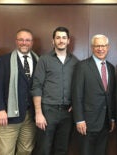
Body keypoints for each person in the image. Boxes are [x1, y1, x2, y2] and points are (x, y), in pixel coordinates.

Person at [31, 26, 78, 155]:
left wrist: (75, 104)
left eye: (64, 38)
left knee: (62, 150)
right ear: (53, 41)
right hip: (47, 111)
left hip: (67, 114)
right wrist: (38, 113)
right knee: (44, 149)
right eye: (58, 38)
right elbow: (36, 86)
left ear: (68, 41)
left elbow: (78, 87)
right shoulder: (44, 60)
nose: (61, 40)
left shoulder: (75, 62)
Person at [0, 28, 39, 155]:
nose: (24, 43)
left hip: (31, 115)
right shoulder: (3, 60)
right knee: (5, 151)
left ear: (32, 42)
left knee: (26, 150)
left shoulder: (39, 61)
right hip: (9, 115)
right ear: (16, 41)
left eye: (27, 40)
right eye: (21, 40)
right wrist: (0, 110)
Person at [72, 34, 115, 155]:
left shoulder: (111, 68)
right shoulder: (82, 66)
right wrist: (79, 120)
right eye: (97, 46)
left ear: (108, 47)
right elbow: (77, 94)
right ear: (92, 47)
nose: (100, 49)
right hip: (87, 123)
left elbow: (110, 96)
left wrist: (112, 118)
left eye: (103, 45)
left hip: (105, 122)